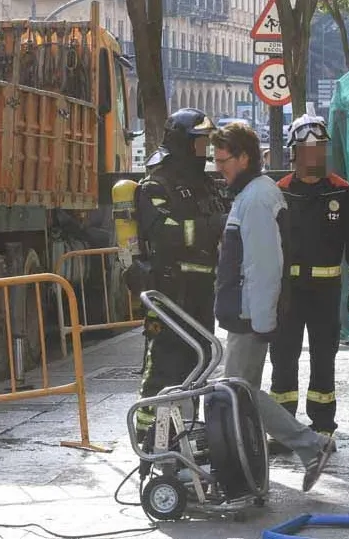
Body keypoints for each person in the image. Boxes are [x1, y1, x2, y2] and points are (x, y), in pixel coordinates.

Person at [210, 122, 335, 492]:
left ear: (244, 157)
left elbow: (265, 266)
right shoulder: (254, 195)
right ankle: (260, 458)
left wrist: (262, 320)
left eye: (223, 160)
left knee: (236, 392)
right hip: (247, 312)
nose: (219, 167)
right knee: (239, 391)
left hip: (250, 315)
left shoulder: (257, 198)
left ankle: (309, 445)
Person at [129, 108, 227, 441]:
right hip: (170, 292)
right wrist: (211, 227)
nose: (205, 150)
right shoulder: (156, 185)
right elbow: (165, 235)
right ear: (183, 143)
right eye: (200, 143)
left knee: (199, 364)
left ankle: (185, 432)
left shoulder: (205, 185)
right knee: (164, 366)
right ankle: (149, 437)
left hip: (202, 291)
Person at [269, 114, 349, 439]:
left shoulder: (340, 191)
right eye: (307, 151)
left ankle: (323, 425)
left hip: (326, 294)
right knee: (283, 359)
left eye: (319, 150)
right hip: (287, 294)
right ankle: (283, 427)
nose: (314, 157)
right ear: (294, 153)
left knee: (324, 359)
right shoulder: (279, 192)